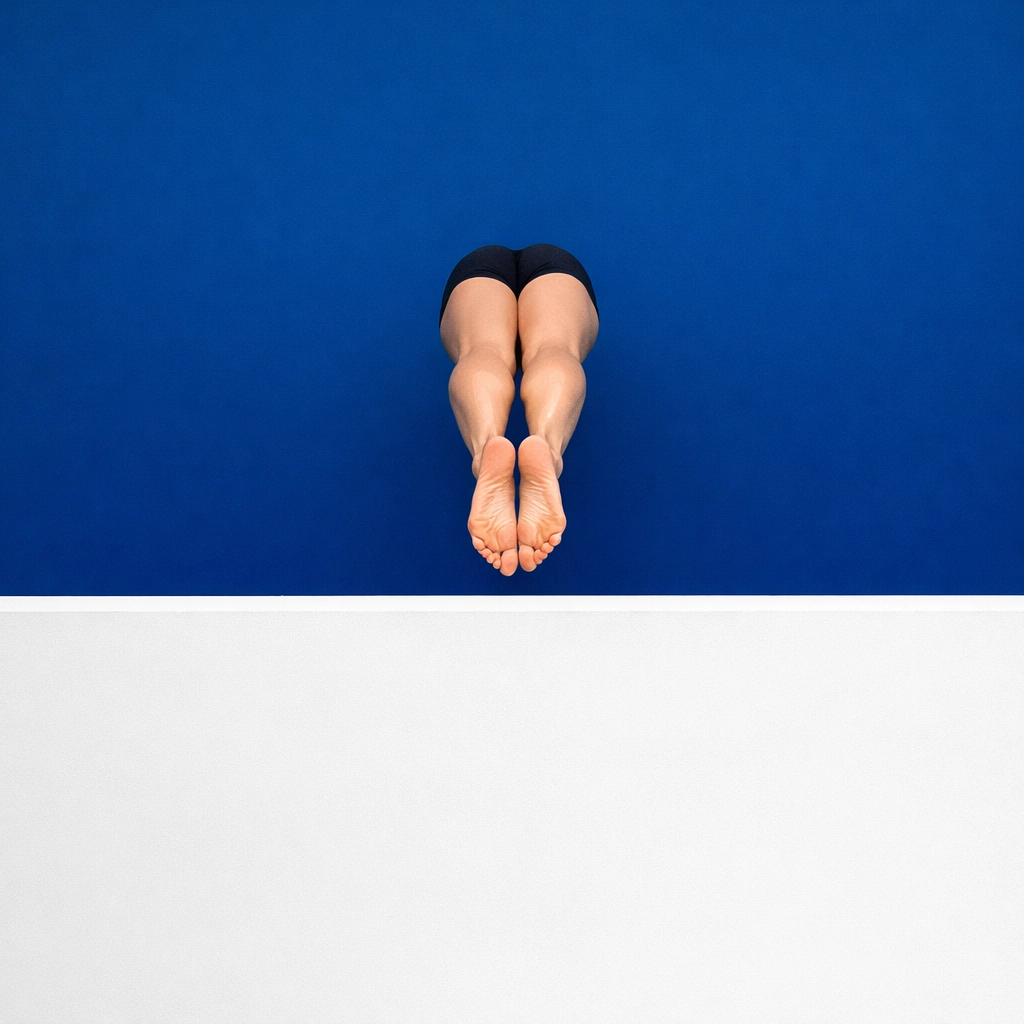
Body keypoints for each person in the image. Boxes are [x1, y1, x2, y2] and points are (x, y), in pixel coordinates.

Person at [439, 244, 599, 575]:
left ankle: (486, 452)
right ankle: (548, 449)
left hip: (477, 269)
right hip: (558, 267)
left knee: (483, 350)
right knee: (553, 347)